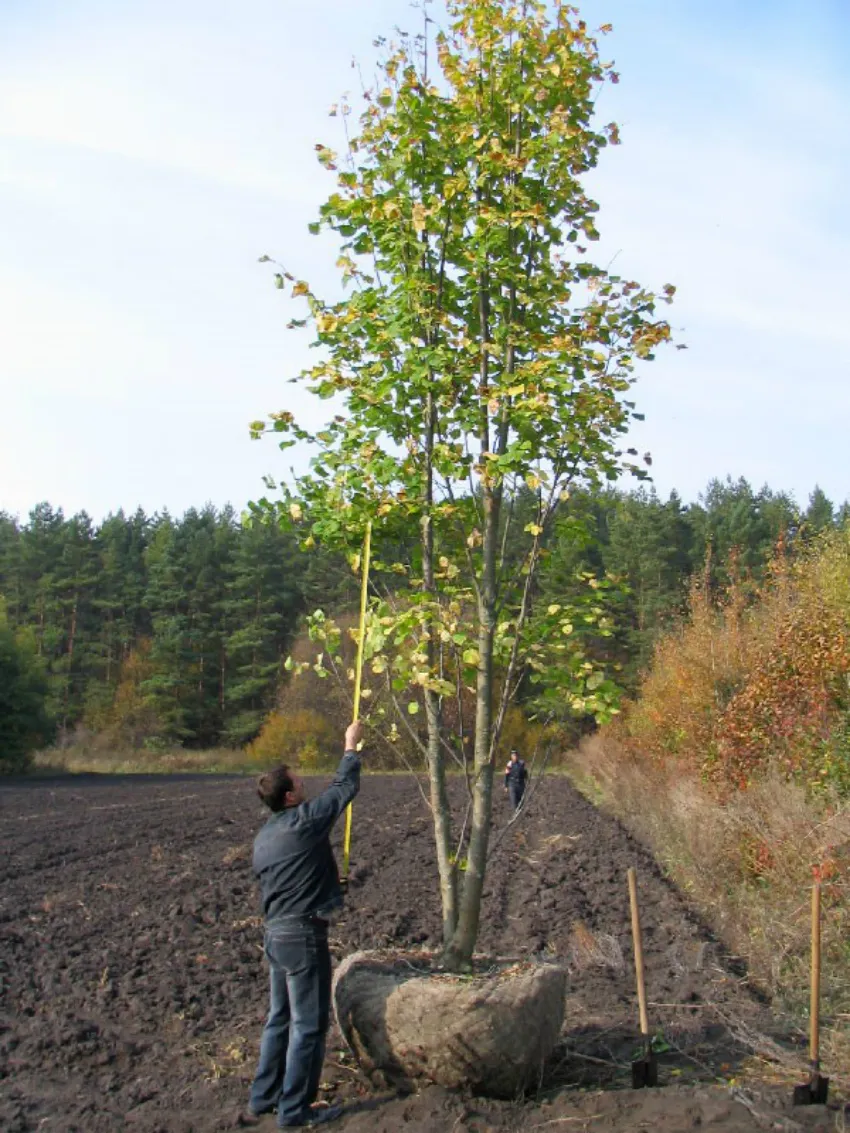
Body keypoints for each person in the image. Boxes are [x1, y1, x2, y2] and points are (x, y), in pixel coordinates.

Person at [240, 721, 364, 1129]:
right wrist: (349, 745)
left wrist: (325, 879)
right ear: (290, 796)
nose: (303, 782)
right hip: (302, 935)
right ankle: (294, 1111)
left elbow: (292, 875)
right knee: (309, 1024)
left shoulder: (265, 837)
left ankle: (263, 1098)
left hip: (275, 934)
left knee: (279, 1017)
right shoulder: (304, 822)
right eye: (297, 780)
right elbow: (342, 790)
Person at [503, 747, 528, 814]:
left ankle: (520, 814)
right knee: (514, 801)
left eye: (516, 755)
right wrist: (506, 786)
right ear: (511, 756)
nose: (515, 757)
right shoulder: (509, 764)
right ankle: (515, 814)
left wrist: (526, 780)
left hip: (521, 785)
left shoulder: (521, 764)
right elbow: (506, 775)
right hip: (512, 784)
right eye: (513, 755)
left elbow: (525, 774)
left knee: (521, 801)